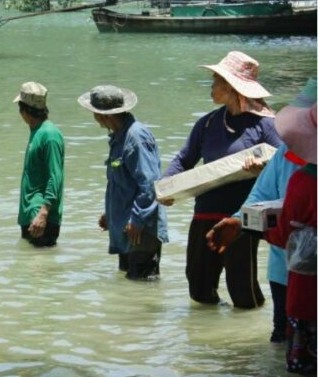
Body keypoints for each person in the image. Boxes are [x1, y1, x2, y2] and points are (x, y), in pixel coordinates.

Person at [160, 51, 282, 309]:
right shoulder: (207, 124)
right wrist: (166, 186)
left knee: (243, 292)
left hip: (240, 219)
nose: (211, 86)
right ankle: (212, 339)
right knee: (199, 288)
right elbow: (184, 159)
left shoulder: (264, 125)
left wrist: (262, 168)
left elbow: (284, 164)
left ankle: (244, 342)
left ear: (232, 88)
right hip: (204, 213)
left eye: (216, 81)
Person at [207, 80, 315, 341]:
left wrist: (255, 229)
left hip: (301, 271)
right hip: (284, 272)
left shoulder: (304, 180)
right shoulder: (285, 155)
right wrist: (237, 222)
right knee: (284, 336)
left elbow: (284, 226)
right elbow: (261, 197)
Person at [78, 85, 168, 279]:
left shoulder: (136, 137)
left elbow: (150, 185)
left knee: (142, 288)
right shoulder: (120, 137)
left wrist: (137, 219)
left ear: (102, 116)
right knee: (130, 292)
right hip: (127, 229)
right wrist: (110, 213)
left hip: (141, 230)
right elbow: (124, 183)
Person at [263, 95, 316, 375]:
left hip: (308, 289)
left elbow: (284, 234)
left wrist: (262, 231)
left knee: (304, 373)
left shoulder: (304, 182)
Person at [15, 82, 64, 247]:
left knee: (40, 270)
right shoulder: (37, 131)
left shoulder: (49, 135)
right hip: (31, 214)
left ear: (24, 110)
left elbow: (55, 176)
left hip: (41, 217)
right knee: (31, 268)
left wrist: (43, 214)